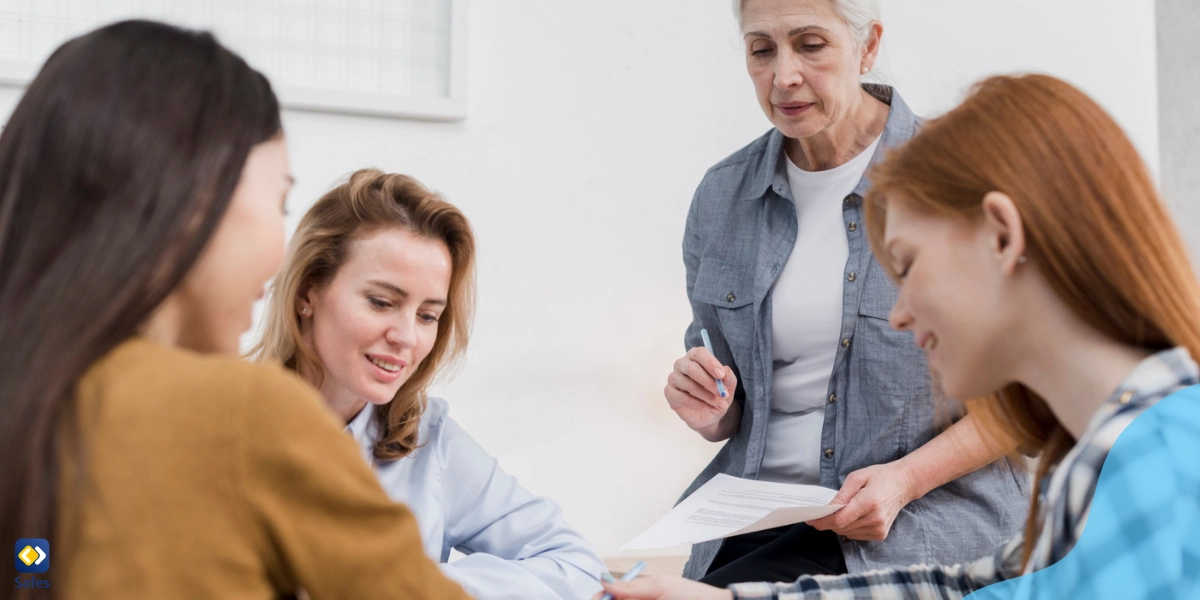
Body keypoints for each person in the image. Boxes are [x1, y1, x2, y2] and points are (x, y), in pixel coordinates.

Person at [598, 73, 1200, 599]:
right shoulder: (1101, 454)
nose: (901, 313)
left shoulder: (1157, 460)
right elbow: (967, 587)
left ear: (1001, 236)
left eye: (907, 268)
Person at [0, 21, 472, 600]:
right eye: (278, 201)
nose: (280, 253)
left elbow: (35, 572)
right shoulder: (245, 412)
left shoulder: (31, 395)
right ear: (195, 203)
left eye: (429, 314)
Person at [663, 0, 1027, 585]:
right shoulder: (722, 196)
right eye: (762, 50)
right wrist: (708, 406)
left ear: (869, 45)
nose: (783, 76)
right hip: (754, 521)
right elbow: (729, 404)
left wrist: (905, 479)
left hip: (917, 523)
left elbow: (1025, 396)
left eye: (810, 45)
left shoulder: (959, 181)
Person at [251, 168, 606, 600]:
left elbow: (575, 564)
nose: (406, 337)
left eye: (427, 316)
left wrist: (408, 586)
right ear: (307, 292)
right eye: (382, 302)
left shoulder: (425, 437)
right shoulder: (214, 422)